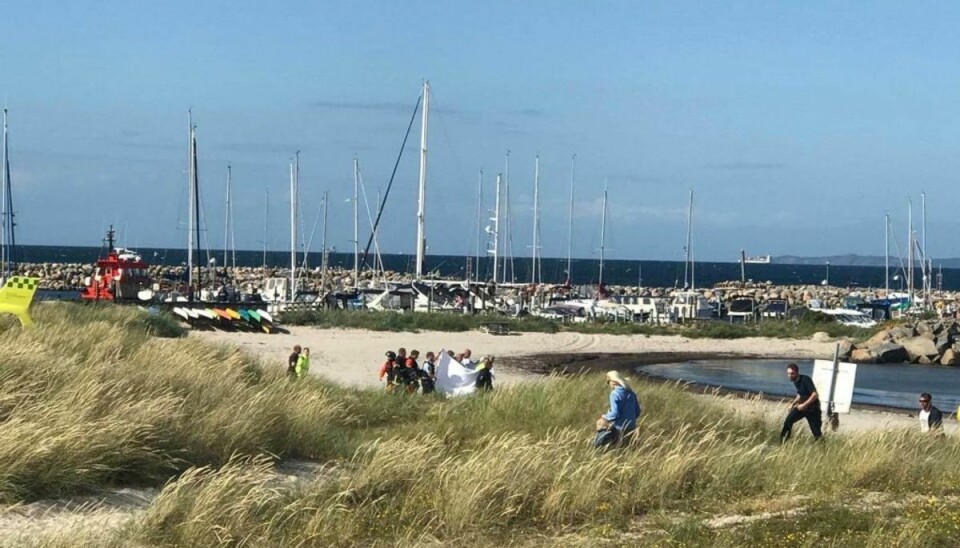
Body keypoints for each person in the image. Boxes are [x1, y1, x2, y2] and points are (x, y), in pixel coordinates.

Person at [593, 371, 642, 448]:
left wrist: (604, 417)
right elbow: (637, 411)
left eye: (608, 382)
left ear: (613, 382)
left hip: (619, 428)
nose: (608, 384)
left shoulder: (615, 394)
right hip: (632, 427)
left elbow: (615, 414)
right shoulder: (631, 393)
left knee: (618, 449)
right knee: (629, 449)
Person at [780, 363, 822, 442]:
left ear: (797, 372)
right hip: (801, 408)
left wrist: (803, 405)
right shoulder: (796, 381)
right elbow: (800, 394)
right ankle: (783, 443)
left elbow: (815, 395)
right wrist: (792, 404)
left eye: (792, 373)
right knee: (788, 421)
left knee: (816, 433)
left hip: (813, 409)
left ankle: (823, 450)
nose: (790, 375)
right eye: (788, 373)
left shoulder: (805, 379)